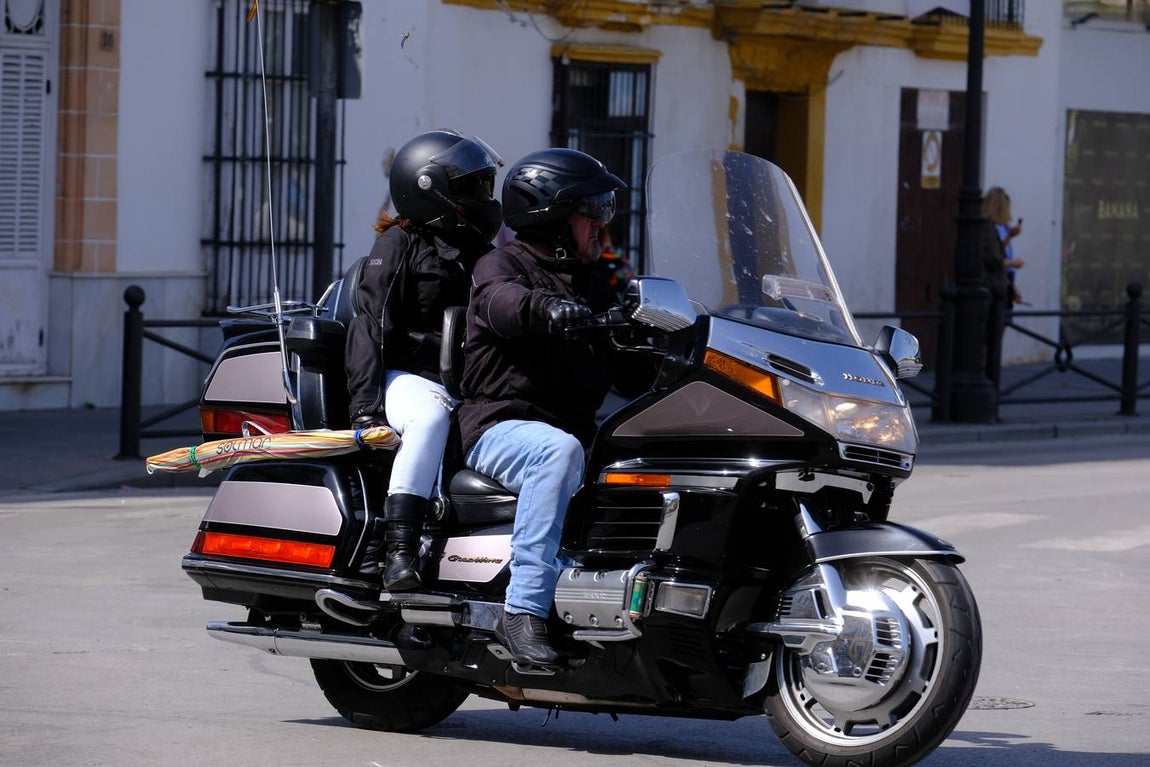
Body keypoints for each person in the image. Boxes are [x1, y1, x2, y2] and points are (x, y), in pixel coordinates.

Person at [457, 148, 635, 665]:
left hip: (572, 427)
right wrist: (545, 307)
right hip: (500, 426)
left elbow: (628, 369)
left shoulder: (592, 282)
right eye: (591, 211)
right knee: (555, 454)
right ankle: (524, 612)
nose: (602, 224)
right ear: (553, 217)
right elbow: (500, 303)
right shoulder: (501, 264)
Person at [344, 129, 503, 591]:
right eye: (472, 188)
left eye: (484, 186)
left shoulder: (482, 254)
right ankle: (398, 549)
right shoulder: (399, 244)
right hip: (404, 378)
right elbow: (370, 323)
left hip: (462, 380)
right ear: (430, 188)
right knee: (432, 417)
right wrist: (366, 408)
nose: (483, 198)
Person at [982, 186, 1025, 305]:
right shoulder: (989, 229)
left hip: (1002, 279)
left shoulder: (1000, 228)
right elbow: (995, 259)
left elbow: (999, 252)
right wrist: (1013, 263)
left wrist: (1010, 236)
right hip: (993, 284)